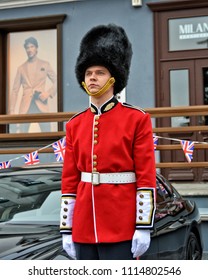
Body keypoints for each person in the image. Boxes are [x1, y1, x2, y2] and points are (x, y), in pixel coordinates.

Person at [60, 24, 156, 260]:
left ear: (113, 78)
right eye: (88, 73)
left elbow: (146, 175)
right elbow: (69, 179)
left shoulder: (136, 119)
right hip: (83, 226)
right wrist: (66, 228)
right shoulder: (74, 124)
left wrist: (143, 226)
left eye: (99, 72)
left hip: (121, 225)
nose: (92, 77)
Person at [9, 36, 57, 132]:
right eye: (27, 47)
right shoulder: (21, 68)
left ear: (36, 48)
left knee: (47, 134)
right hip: (25, 106)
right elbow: (15, 91)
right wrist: (12, 110)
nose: (29, 49)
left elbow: (58, 81)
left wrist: (48, 93)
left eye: (32, 47)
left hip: (41, 104)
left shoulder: (45, 64)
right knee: (22, 136)